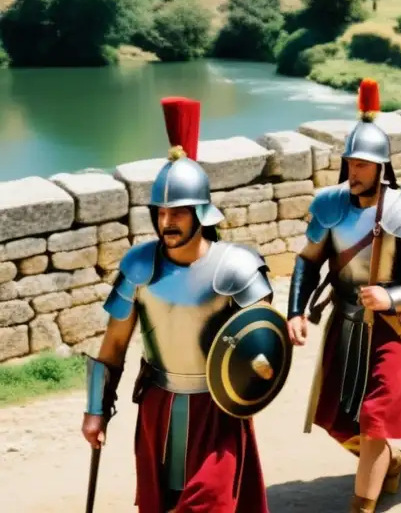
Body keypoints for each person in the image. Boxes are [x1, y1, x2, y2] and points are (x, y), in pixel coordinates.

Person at [81, 97, 272, 513]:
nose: (168, 222)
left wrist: (251, 386)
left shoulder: (235, 268)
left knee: (211, 503)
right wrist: (95, 411)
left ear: (201, 213)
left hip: (216, 410)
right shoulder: (138, 267)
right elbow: (113, 347)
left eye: (179, 212)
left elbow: (263, 349)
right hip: (159, 406)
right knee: (161, 502)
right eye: (161, 211)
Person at [287, 80, 401, 513]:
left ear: (382, 167)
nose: (355, 171)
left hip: (391, 330)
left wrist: (394, 296)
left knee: (375, 422)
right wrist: (296, 311)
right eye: (350, 162)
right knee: (338, 423)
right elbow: (307, 261)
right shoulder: (329, 206)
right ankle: (393, 461)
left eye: (364, 164)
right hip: (344, 327)